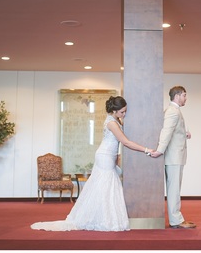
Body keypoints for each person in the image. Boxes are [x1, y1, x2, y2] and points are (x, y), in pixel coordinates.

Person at [30, 95, 162, 233]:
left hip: (107, 156)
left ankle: (101, 218)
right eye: (122, 112)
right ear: (114, 111)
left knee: (104, 187)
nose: (125, 114)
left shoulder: (115, 120)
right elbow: (126, 142)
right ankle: (100, 219)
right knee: (105, 187)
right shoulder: (112, 123)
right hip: (104, 156)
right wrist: (146, 150)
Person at [155, 86, 195, 229]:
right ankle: (176, 220)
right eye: (184, 95)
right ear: (177, 96)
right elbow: (167, 131)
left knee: (174, 188)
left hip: (174, 156)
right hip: (174, 157)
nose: (186, 98)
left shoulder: (172, 110)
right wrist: (159, 150)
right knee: (174, 189)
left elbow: (174, 130)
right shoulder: (173, 111)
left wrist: (185, 133)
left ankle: (176, 218)